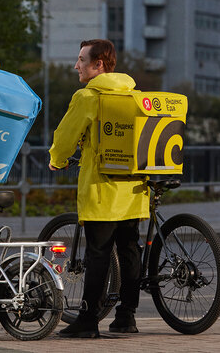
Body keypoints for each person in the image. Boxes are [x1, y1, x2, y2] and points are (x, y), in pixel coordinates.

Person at [48, 39, 149, 338]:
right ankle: (126, 317)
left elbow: (66, 136)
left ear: (98, 65)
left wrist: (57, 159)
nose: (76, 66)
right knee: (130, 250)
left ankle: (88, 321)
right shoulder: (134, 94)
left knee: (98, 255)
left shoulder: (88, 97)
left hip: (101, 189)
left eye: (81, 60)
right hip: (133, 189)